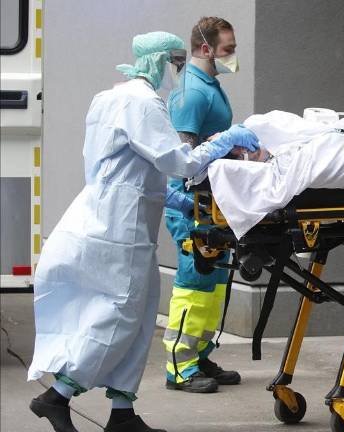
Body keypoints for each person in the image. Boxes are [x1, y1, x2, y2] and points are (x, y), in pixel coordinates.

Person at [27, 31, 258, 432]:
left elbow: (121, 166)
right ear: (157, 60)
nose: (177, 72)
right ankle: (57, 395)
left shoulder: (108, 97)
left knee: (140, 314)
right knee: (119, 315)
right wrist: (226, 139)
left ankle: (122, 413)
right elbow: (181, 162)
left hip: (111, 217)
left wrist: (173, 200)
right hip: (122, 229)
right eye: (175, 62)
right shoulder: (143, 102)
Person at [162, 17, 245, 394]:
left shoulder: (208, 86)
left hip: (210, 203)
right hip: (191, 206)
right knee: (195, 285)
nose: (233, 55)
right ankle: (179, 367)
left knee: (213, 285)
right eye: (228, 49)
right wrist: (184, 205)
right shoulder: (192, 94)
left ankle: (200, 355)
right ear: (206, 48)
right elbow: (182, 160)